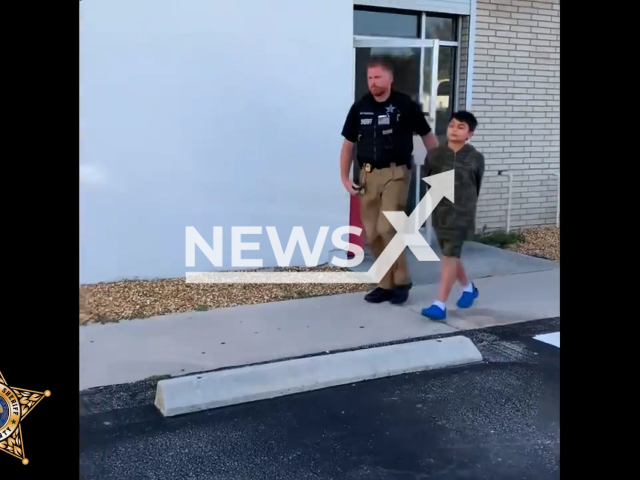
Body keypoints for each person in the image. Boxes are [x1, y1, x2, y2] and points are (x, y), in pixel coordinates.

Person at [340, 57, 439, 304]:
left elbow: (428, 136)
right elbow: (348, 145)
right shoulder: (360, 107)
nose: (373, 82)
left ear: (390, 78)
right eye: (370, 78)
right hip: (367, 176)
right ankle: (385, 284)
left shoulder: (405, 105)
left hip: (396, 174)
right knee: (373, 233)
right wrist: (344, 177)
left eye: (378, 77)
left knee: (388, 228)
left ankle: (402, 280)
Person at [421, 111, 485, 320]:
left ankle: (439, 304)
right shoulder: (435, 155)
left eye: (461, 127)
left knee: (449, 255)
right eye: (452, 125)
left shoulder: (475, 157)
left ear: (470, 134)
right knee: (450, 253)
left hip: (462, 214)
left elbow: (476, 185)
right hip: (441, 212)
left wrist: (465, 207)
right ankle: (468, 288)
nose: (455, 130)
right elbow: (429, 179)